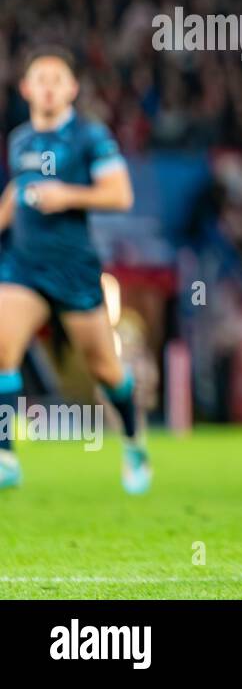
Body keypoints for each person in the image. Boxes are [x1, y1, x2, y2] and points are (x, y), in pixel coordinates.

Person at [0, 50, 149, 494]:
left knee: (106, 370)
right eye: (39, 78)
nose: (47, 85)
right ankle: (6, 455)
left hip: (73, 270)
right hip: (23, 266)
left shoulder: (90, 137)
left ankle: (134, 440)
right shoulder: (20, 139)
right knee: (3, 348)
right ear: (26, 89)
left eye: (56, 78)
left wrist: (68, 195)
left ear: (71, 89)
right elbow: (18, 189)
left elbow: (120, 196)